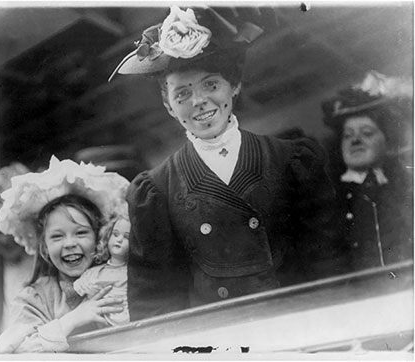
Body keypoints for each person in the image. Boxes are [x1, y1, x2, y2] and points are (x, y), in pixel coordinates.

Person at [110, 6, 337, 321]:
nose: (198, 101)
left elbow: (328, 264)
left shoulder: (291, 160)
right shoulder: (156, 189)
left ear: (235, 85)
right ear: (168, 106)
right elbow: (155, 302)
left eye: (211, 85)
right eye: (182, 94)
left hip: (294, 328)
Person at [0, 156, 129, 352]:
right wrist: (73, 319)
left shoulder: (118, 277)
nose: (69, 244)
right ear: (44, 248)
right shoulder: (35, 298)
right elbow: (17, 350)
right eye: (57, 237)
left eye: (81, 233)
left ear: (99, 237)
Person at [322, 70, 413, 271]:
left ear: (387, 141)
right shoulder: (326, 197)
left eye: (367, 133)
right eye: (348, 135)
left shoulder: (407, 184)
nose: (355, 140)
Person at [74, 215, 131, 326]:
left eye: (127, 237)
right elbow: (75, 299)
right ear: (108, 236)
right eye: (115, 234)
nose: (119, 239)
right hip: (98, 325)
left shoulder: (133, 273)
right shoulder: (93, 273)